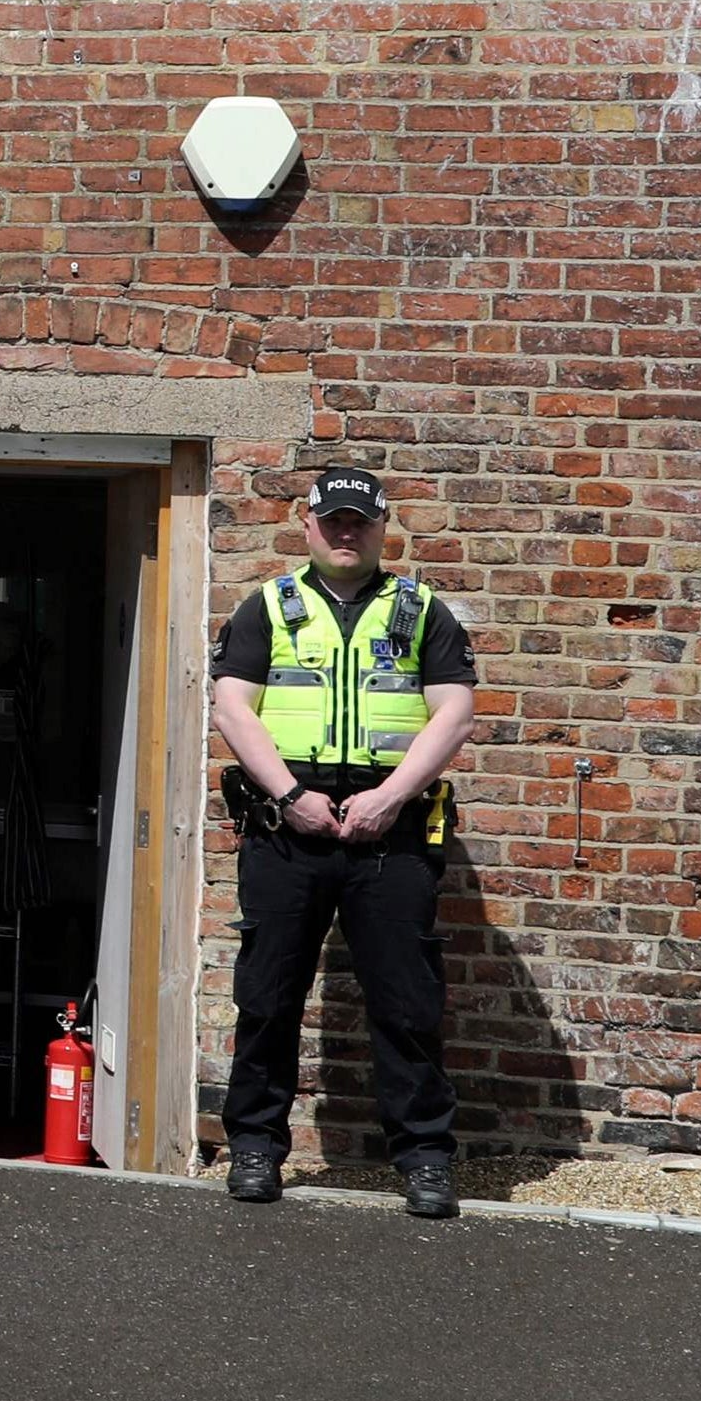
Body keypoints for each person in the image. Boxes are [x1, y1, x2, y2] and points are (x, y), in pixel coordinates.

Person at [208, 465, 478, 1219]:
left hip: (390, 833)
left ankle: (425, 1158)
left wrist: (391, 798)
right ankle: (256, 1145)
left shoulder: (422, 610)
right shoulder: (269, 606)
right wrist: (290, 797)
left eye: (360, 519)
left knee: (407, 1001)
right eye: (334, 520)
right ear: (308, 524)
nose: (346, 531)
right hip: (288, 831)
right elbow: (233, 708)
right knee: (267, 995)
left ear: (382, 526)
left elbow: (453, 714)